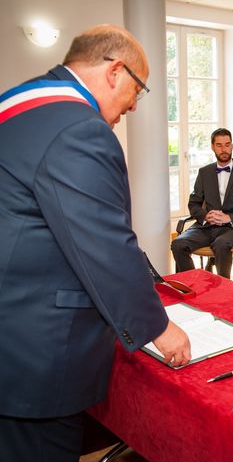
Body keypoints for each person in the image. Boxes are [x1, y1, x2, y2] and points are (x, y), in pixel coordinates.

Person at [0, 24, 191, 461]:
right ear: (115, 71)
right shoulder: (78, 129)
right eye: (137, 92)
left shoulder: (20, 105)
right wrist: (158, 327)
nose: (133, 107)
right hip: (32, 350)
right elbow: (104, 244)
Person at [171, 128, 233, 278]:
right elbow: (193, 203)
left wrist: (229, 218)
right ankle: (194, 284)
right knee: (178, 244)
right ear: (212, 147)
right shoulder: (204, 172)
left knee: (221, 244)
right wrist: (206, 216)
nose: (224, 149)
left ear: (232, 146)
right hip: (206, 227)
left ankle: (223, 289)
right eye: (219, 145)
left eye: (227, 145)